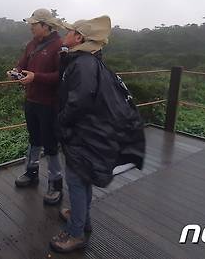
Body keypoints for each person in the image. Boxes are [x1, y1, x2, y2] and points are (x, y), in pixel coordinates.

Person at [50, 15, 146, 253]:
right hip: (88, 132)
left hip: (82, 134)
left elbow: (78, 102)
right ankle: (82, 219)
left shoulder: (83, 64)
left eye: (70, 31)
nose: (66, 34)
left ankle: (76, 233)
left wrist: (59, 123)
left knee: (76, 181)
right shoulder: (86, 60)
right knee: (82, 177)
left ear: (80, 38)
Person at [9, 8, 64, 205]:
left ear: (46, 26)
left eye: (34, 24)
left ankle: (56, 183)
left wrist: (36, 77)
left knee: (50, 144)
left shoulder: (59, 45)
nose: (31, 27)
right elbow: (23, 63)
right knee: (33, 138)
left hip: (49, 104)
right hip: (31, 100)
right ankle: (32, 173)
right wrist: (16, 71)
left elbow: (61, 76)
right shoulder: (32, 44)